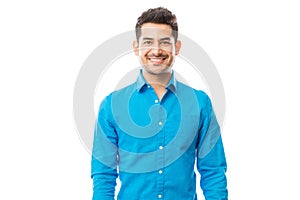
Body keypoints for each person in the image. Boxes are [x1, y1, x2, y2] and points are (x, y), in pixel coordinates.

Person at [91, 7, 228, 200]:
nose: (156, 50)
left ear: (177, 47)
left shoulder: (200, 103)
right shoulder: (112, 106)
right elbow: (104, 176)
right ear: (136, 47)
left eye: (165, 42)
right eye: (148, 42)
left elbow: (213, 170)